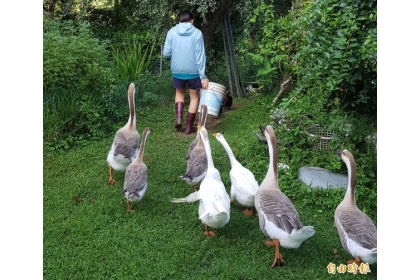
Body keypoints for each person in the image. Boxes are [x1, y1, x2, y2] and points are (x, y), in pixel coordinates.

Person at [163, 10, 209, 135]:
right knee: (194, 97)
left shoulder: (171, 32)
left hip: (177, 71)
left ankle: (179, 119)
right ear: (192, 21)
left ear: (179, 20)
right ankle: (189, 127)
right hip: (194, 72)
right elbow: (200, 56)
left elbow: (166, 53)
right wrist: (203, 76)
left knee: (179, 93)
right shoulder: (197, 33)